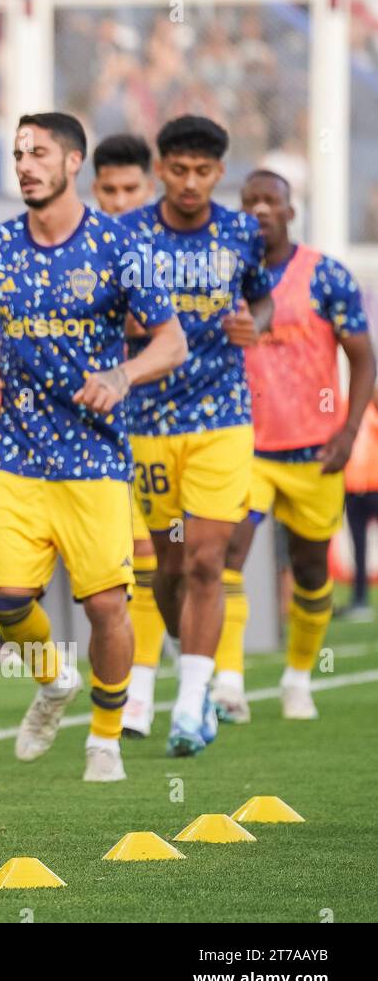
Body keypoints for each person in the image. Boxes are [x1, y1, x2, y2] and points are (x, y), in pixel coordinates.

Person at [0, 112, 187, 783]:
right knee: (5, 599)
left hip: (93, 458)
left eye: (38, 153)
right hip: (16, 453)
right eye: (17, 153)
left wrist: (123, 375)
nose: (25, 163)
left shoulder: (119, 247)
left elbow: (171, 341)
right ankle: (55, 680)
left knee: (105, 606)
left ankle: (106, 738)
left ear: (71, 164)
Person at [117, 115, 275, 756]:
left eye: (203, 172)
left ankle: (189, 706)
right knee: (170, 566)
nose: (189, 183)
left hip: (222, 418)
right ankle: (193, 665)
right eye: (178, 170)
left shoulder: (241, 232)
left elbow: (260, 298)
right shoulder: (126, 234)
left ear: (220, 172)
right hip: (150, 422)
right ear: (160, 169)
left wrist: (252, 323)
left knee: (210, 559)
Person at [214, 170, 374, 721]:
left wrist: (349, 430)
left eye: (271, 200)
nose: (260, 209)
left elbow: (362, 356)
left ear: (290, 211)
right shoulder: (224, 272)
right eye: (250, 200)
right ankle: (229, 681)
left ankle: (299, 678)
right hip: (244, 447)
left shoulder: (324, 275)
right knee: (226, 556)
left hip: (314, 450)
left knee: (310, 571)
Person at [89, 134, 171, 737]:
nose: (119, 200)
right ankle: (132, 685)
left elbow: (163, 326)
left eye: (130, 190)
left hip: (174, 422)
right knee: (128, 565)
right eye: (109, 189)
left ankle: (167, 683)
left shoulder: (164, 249)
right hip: (102, 430)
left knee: (174, 559)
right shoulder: (85, 244)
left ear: (151, 188)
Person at [343, 392, 378, 621]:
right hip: (353, 488)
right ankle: (360, 599)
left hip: (375, 485)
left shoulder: (374, 409)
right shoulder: (345, 409)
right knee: (358, 547)